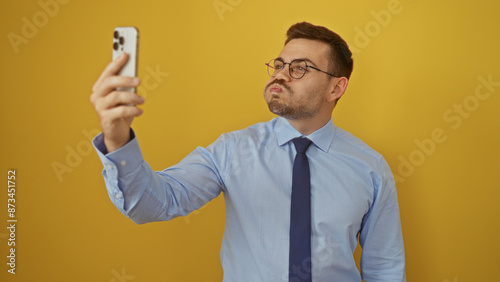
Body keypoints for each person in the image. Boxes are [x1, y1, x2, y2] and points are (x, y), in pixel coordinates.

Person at [90, 22, 406, 282]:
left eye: (300, 68)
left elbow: (385, 270)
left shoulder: (370, 167)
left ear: (336, 88)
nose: (280, 74)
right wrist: (118, 140)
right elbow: (152, 204)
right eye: (280, 64)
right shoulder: (232, 150)